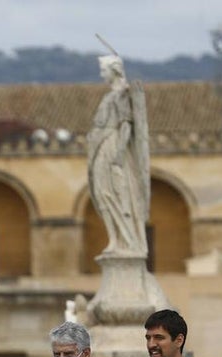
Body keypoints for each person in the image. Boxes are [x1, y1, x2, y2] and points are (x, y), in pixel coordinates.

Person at [87, 53, 150, 257]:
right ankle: (114, 239)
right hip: (101, 146)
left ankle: (125, 239)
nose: (101, 74)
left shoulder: (121, 95)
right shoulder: (109, 95)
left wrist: (120, 152)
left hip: (112, 146)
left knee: (115, 192)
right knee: (101, 192)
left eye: (104, 70)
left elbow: (126, 124)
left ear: (114, 71)